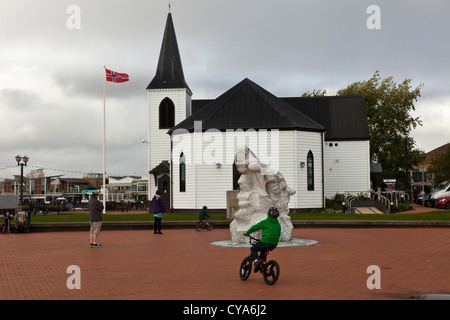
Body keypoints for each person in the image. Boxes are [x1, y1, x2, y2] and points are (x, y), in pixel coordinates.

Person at [245, 207, 281, 272]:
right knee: (263, 252)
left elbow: (255, 227)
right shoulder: (278, 224)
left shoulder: (265, 222)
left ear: (268, 214)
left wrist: (247, 233)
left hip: (265, 241)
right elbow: (278, 233)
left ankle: (256, 261)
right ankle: (263, 266)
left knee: (253, 248)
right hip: (274, 244)